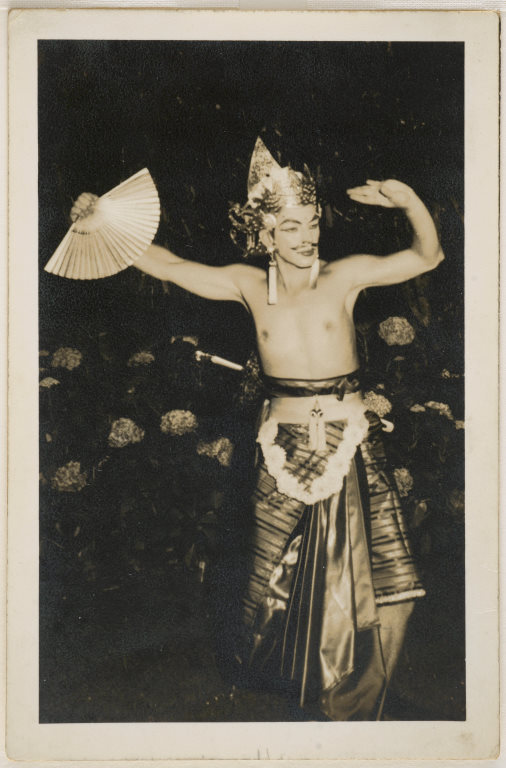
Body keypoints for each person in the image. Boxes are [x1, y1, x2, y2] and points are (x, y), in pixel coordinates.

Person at [70, 138, 444, 720]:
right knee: (276, 581)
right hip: (282, 450)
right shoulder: (247, 286)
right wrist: (103, 220)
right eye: (291, 226)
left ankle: (365, 699)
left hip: (351, 443)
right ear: (265, 233)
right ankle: (310, 687)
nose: (307, 236)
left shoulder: (343, 277)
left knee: (390, 576)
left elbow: (426, 257)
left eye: (312, 222)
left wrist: (410, 202)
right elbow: (168, 265)